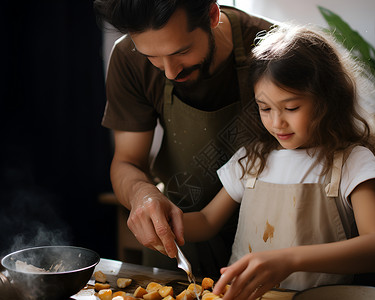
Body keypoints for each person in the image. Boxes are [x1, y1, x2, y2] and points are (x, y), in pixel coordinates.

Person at [176, 24, 375, 299]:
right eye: (265, 108)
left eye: (291, 108)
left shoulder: (352, 161)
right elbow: (207, 221)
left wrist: (290, 259)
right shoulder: (253, 159)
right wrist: (167, 222)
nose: (277, 122)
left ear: (327, 100)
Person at [93, 0, 273, 276]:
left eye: (182, 51)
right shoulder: (128, 58)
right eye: (152, 57)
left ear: (213, 15)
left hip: (270, 237)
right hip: (182, 235)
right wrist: (142, 194)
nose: (169, 71)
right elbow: (127, 161)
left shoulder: (274, 48)